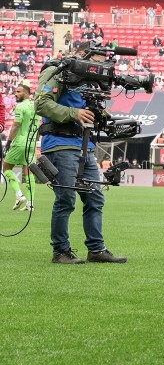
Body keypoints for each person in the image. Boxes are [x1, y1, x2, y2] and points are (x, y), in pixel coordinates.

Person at [36, 42, 126, 264]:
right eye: (96, 62)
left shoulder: (91, 81)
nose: (98, 69)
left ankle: (96, 249)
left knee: (95, 198)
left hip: (85, 146)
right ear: (82, 55)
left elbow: (92, 113)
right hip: (59, 144)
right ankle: (61, 252)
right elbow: (41, 103)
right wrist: (74, 113)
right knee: (66, 199)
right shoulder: (56, 69)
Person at [4, 83, 37, 211]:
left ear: (27, 93)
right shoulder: (36, 106)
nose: (16, 94)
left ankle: (19, 195)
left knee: (6, 167)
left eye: (19, 92)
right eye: (15, 92)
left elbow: (16, 125)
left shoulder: (20, 106)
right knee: (28, 171)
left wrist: (9, 141)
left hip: (20, 142)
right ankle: (31, 203)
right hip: (32, 143)